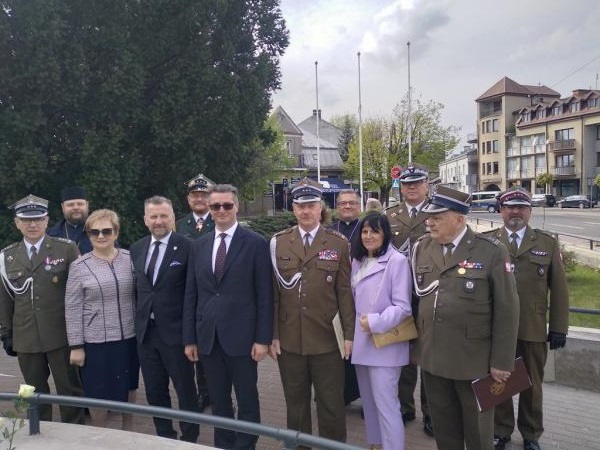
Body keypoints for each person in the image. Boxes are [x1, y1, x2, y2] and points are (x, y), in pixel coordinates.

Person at [411, 186, 519, 450]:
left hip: (474, 363)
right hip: (434, 360)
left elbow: (508, 309)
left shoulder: (491, 251)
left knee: (478, 434)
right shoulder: (422, 248)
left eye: (437, 216)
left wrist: (502, 362)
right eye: (429, 216)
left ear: (459, 219)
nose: (430, 221)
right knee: (444, 432)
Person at [183, 184, 273, 450]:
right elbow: (192, 294)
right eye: (215, 206)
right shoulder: (198, 246)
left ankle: (245, 445)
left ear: (236, 207)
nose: (221, 210)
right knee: (219, 401)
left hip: (243, 339)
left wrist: (262, 339)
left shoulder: (256, 243)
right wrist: (190, 339)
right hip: (209, 338)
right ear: (209, 210)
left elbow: (264, 295)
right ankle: (223, 444)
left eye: (227, 205)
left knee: (247, 399)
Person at [269, 178, 355, 446]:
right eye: (300, 206)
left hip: (328, 339)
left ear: (321, 208)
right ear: (293, 209)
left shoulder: (338, 243)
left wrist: (349, 335)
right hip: (290, 338)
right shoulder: (278, 243)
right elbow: (272, 295)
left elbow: (345, 293)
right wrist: (272, 335)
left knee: (331, 404)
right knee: (296, 405)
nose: (306, 211)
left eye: (311, 205)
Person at [485, 187, 569, 450]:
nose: (515, 212)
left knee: (532, 385)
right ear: (501, 211)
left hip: (532, 329)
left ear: (530, 211)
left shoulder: (547, 243)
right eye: (510, 207)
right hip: (497, 330)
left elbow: (560, 290)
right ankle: (501, 430)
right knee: (498, 382)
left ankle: (531, 434)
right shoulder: (488, 243)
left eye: (522, 207)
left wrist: (558, 328)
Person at [0, 195, 83, 424]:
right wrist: (6, 333)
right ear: (17, 223)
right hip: (26, 335)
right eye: (26, 220)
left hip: (61, 334)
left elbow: (78, 293)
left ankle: (74, 431)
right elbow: (5, 299)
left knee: (69, 388)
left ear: (47, 221)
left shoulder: (65, 250)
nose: (32, 224)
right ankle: (39, 430)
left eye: (38, 219)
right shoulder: (7, 256)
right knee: (32, 390)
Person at [130, 196, 199, 442]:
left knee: (185, 391)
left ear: (172, 218)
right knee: (155, 391)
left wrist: (191, 336)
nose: (159, 221)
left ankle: (190, 438)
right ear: (145, 220)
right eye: (154, 216)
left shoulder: (188, 247)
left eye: (164, 216)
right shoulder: (137, 248)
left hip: (176, 333)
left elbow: (194, 294)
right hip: (146, 334)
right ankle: (165, 437)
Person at [65, 209, 139, 429]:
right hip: (96, 339)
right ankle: (100, 435)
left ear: (116, 233)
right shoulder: (79, 266)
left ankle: (128, 431)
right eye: (94, 232)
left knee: (129, 385)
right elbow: (72, 307)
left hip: (129, 336)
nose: (100, 236)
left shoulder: (130, 259)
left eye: (106, 230)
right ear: (88, 235)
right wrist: (76, 346)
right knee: (97, 391)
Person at [350, 213, 413, 450]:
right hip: (362, 343)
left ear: (385, 234)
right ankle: (375, 444)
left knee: (387, 405)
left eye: (374, 231)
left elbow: (403, 307)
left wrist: (375, 321)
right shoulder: (357, 261)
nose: (368, 236)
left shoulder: (396, 261)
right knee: (369, 402)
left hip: (384, 344)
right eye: (365, 231)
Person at [385, 164, 433, 436]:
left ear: (427, 184)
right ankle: (405, 407)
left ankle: (431, 413)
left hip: (429, 295)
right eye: (406, 184)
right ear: (401, 187)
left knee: (427, 358)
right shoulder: (390, 215)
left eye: (417, 183)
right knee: (403, 357)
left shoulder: (438, 212)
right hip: (401, 295)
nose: (411, 187)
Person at [175, 173, 213, 411]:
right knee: (194, 346)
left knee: (213, 347)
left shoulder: (220, 220)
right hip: (187, 294)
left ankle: (215, 392)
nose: (199, 198)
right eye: (195, 194)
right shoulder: (179, 225)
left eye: (204, 194)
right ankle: (202, 392)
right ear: (188, 199)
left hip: (212, 294)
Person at [328, 189, 361, 406]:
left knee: (359, 349)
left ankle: (362, 395)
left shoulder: (367, 230)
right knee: (338, 349)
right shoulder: (329, 232)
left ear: (359, 205)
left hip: (362, 299)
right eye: (342, 203)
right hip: (335, 298)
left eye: (351, 203)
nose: (347, 206)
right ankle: (341, 394)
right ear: (337, 207)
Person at [47, 186, 92, 254]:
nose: (76, 207)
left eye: (80, 204)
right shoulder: (50, 235)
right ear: (63, 207)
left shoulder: (102, 232)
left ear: (87, 205)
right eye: (70, 205)